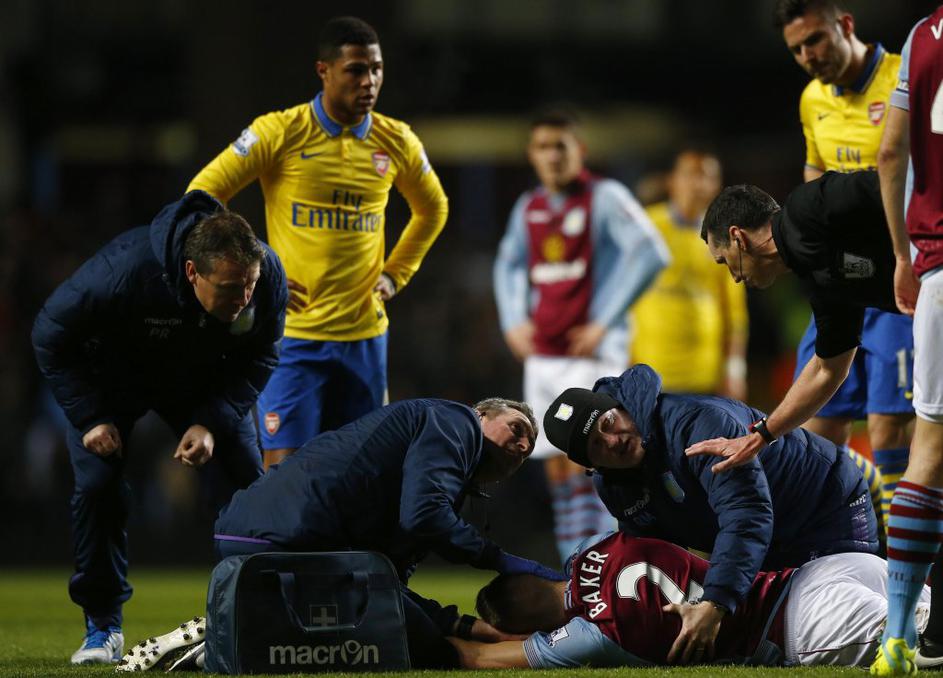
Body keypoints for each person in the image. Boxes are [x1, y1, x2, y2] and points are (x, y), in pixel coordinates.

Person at [116, 396, 563, 672]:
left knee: (396, 632)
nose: (523, 446)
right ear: (481, 414)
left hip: (269, 533)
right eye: (517, 429)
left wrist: (481, 627)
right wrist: (501, 561)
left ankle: (241, 627)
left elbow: (389, 583)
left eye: (528, 449)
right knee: (421, 649)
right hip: (289, 535)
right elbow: (423, 516)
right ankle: (221, 630)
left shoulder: (442, 466)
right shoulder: (454, 423)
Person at [31, 191, 289, 665]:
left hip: (201, 383)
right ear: (192, 273)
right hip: (111, 381)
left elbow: (262, 354)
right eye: (231, 289)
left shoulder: (265, 272)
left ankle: (266, 610)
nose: (244, 298)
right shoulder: (121, 273)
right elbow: (49, 334)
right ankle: (103, 628)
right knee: (97, 487)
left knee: (250, 486)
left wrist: (210, 422)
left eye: (249, 286)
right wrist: (90, 417)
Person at [188, 16, 448, 470]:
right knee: (285, 468)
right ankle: (280, 545)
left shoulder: (396, 140)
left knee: (365, 469)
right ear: (323, 71)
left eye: (377, 69)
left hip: (365, 335)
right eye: (355, 70)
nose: (369, 82)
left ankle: (350, 546)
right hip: (294, 336)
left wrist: (394, 274)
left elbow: (433, 209)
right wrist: (260, 270)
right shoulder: (279, 132)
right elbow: (201, 197)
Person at [541, 364, 878, 657]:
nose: (612, 440)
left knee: (839, 621)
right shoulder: (615, 485)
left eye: (608, 423)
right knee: (784, 623)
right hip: (770, 541)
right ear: (592, 465)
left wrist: (714, 603)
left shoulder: (695, 424)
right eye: (597, 447)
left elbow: (746, 513)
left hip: (824, 508)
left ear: (620, 406)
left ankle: (926, 629)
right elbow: (653, 553)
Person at [493, 109, 669, 563]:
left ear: (580, 151)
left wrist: (604, 319)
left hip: (595, 355)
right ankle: (577, 564)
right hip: (545, 357)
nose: (552, 156)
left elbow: (651, 252)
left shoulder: (604, 196)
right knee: (555, 463)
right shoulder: (529, 206)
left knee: (604, 455)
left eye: (561, 146)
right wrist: (513, 319)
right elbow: (508, 264)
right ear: (531, 155)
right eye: (543, 147)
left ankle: (613, 560)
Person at [774, 0, 913, 522]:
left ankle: (907, 564)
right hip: (844, 277)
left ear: (845, 25)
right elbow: (816, 182)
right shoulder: (813, 99)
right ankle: (844, 541)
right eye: (796, 49)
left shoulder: (905, 75)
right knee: (815, 433)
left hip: (899, 275)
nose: (808, 56)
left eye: (815, 40)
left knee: (887, 426)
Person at [448, 531, 930, 669]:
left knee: (927, 643)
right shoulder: (597, 544)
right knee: (933, 607)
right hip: (817, 571)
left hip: (802, 626)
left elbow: (477, 659)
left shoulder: (591, 635)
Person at [692, 170, 903, 473]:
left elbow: (895, 180)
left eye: (725, 261)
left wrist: (915, 255)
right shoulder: (821, 283)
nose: (735, 277)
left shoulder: (811, 205)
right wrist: (759, 437)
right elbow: (826, 371)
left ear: (738, 238)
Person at [871, 6, 943, 674]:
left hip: (937, 267)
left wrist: (901, 254)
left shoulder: (922, 36)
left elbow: (889, 152)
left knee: (926, 451)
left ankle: (899, 634)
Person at [631, 149, 748, 399]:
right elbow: (624, 295)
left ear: (717, 185)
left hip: (704, 377)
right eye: (689, 174)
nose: (697, 184)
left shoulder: (725, 238)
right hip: (649, 373)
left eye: (706, 176)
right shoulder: (645, 227)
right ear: (672, 180)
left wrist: (734, 371)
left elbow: (735, 313)